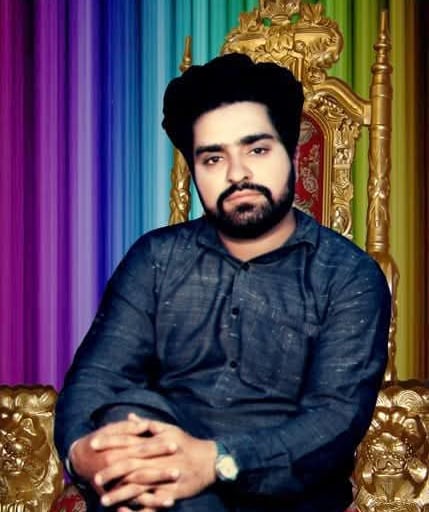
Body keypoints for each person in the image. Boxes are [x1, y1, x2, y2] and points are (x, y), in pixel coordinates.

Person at [54, 53, 391, 512]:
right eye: (214, 158)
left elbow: (334, 421)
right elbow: (97, 376)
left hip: (285, 498)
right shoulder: (155, 260)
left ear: (292, 154)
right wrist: (82, 453)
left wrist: (216, 462)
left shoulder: (348, 276)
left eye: (257, 150)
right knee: (126, 417)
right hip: (156, 483)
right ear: (195, 171)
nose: (237, 174)